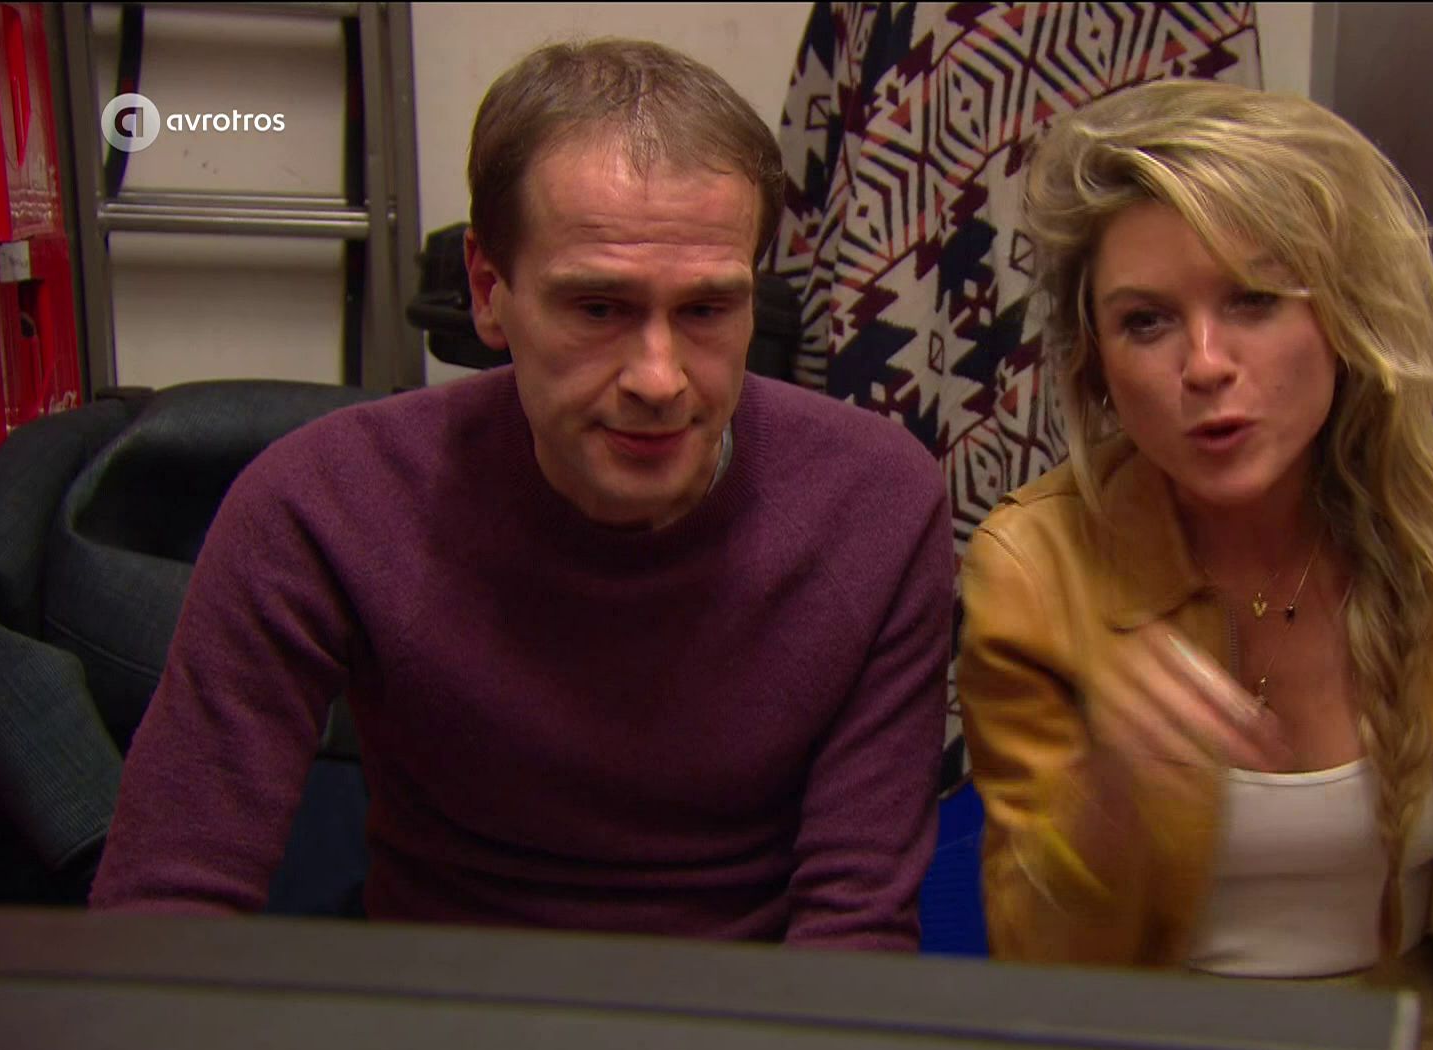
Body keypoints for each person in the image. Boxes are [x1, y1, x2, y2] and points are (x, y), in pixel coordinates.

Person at [90, 39, 953, 951]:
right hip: (443, 1004)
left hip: (754, 1013)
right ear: (488, 289)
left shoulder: (876, 506)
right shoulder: (319, 504)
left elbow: (855, 929)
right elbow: (166, 907)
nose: (659, 379)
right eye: (597, 308)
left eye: (706, 310)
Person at [957, 81, 1433, 1050]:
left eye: (1254, 300)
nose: (1205, 364)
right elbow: (1042, 978)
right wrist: (1110, 805)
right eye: (1147, 322)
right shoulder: (1033, 570)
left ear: (1347, 312)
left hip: (1407, 1040)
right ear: (1096, 364)